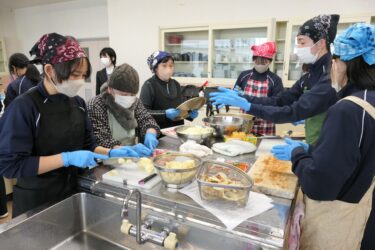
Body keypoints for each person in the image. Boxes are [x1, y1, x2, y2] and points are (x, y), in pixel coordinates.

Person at [0, 33, 150, 217]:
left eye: (83, 75)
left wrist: (111, 152)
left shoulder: (77, 103)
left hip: (76, 190)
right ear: (49, 70)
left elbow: (90, 144)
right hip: (39, 201)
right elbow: (10, 165)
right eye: (74, 74)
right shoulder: (24, 107)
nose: (79, 80)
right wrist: (66, 158)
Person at [271, 23, 375, 249]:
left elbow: (319, 184)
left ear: (342, 64)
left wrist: (297, 154)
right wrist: (316, 151)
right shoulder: (370, 100)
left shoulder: (348, 110)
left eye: (334, 62)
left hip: (343, 223)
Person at [211, 14, 340, 145]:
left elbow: (294, 111)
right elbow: (280, 100)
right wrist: (244, 99)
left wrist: (248, 105)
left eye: (302, 42)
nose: (298, 49)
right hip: (316, 141)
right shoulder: (309, 75)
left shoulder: (332, 73)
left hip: (330, 143)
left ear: (321, 43)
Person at [88, 63, 160, 150]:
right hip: (107, 156)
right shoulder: (96, 105)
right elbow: (101, 139)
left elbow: (147, 120)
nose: (128, 98)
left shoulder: (135, 102)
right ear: (110, 89)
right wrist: (125, 150)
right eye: (124, 94)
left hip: (132, 158)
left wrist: (150, 133)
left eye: (132, 94)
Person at [234, 41, 283, 136]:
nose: (260, 64)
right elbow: (236, 92)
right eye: (257, 61)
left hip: (266, 122)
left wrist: (248, 98)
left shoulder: (275, 79)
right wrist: (240, 94)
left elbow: (277, 102)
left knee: (263, 148)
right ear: (253, 60)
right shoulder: (244, 75)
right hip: (245, 121)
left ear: (270, 62)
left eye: (264, 61)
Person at [140, 50, 198, 129]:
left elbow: (179, 110)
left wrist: (189, 114)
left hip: (176, 131)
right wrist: (164, 114)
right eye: (164, 66)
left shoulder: (176, 84)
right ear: (156, 68)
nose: (168, 69)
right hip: (157, 134)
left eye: (171, 66)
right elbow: (143, 113)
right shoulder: (149, 85)